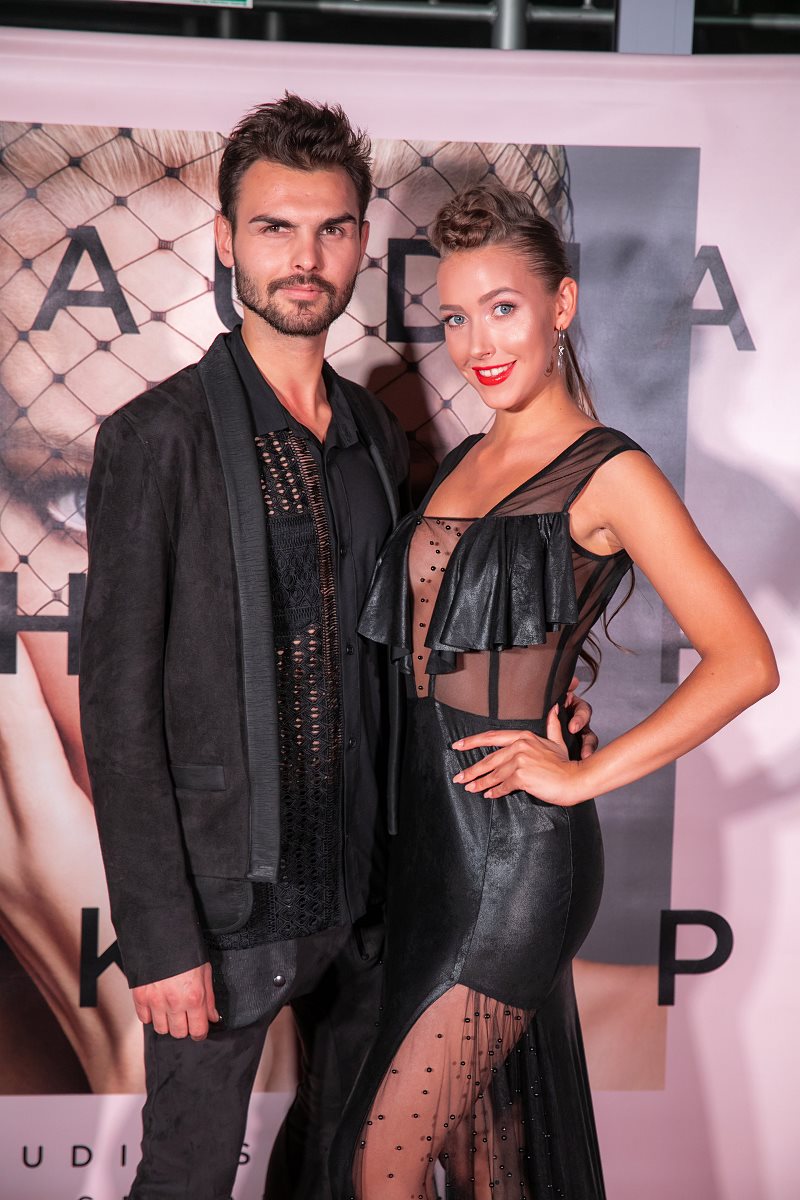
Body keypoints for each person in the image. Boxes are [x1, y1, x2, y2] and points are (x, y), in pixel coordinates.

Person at [76, 98, 598, 1199]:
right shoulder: (156, 439)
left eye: (330, 229)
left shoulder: (371, 430)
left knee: (340, 1171)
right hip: (226, 908)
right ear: (226, 240)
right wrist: (159, 938)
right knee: (183, 1177)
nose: (304, 258)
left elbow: (412, 644)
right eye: (275, 228)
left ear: (361, 240)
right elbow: (118, 713)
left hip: (369, 898)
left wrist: (532, 706)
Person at [330, 184, 779, 1199]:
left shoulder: (609, 472)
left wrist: (581, 778)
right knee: (481, 1161)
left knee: (377, 1165)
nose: (476, 343)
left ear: (560, 305)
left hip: (515, 862)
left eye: (503, 308)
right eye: (455, 317)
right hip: (429, 852)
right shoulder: (467, 460)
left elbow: (746, 660)